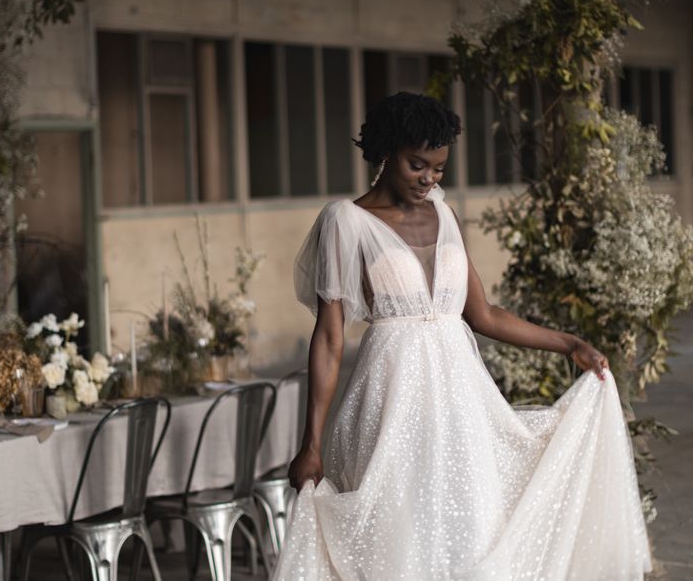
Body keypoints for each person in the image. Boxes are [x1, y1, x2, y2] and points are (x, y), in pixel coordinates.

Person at [271, 92, 650, 580]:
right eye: (417, 165)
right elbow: (328, 339)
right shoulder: (345, 221)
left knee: (470, 529)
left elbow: (484, 314)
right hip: (391, 402)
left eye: (439, 169)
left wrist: (570, 343)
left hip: (463, 404)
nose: (429, 179)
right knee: (399, 539)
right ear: (385, 153)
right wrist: (312, 443)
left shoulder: (445, 214)